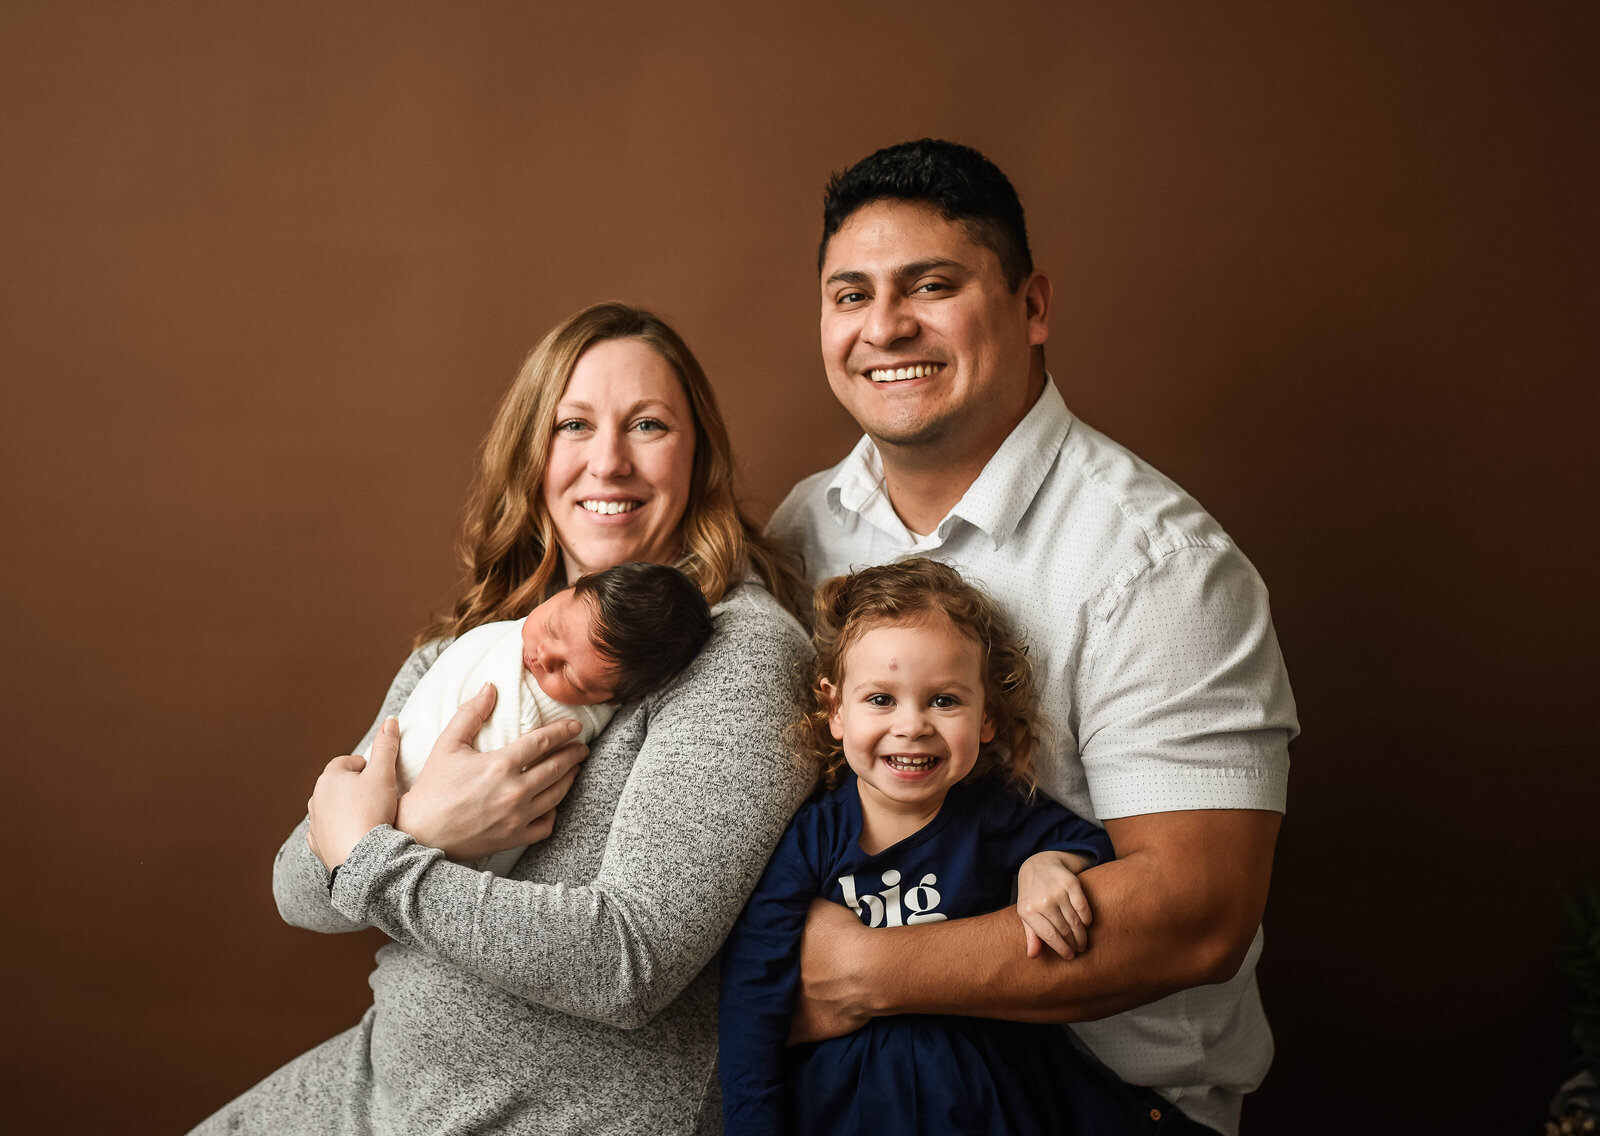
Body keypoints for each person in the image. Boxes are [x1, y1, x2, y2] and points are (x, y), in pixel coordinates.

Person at [767, 139, 1299, 1134]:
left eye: (930, 285)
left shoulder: (1160, 564)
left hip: (1096, 1101)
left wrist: (865, 972)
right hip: (847, 1091)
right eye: (850, 294)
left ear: (1032, 304)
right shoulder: (802, 529)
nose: (885, 326)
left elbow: (1199, 913)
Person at [192, 302, 814, 1135]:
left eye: (649, 425)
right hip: (377, 1087)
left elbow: (628, 963)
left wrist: (380, 856)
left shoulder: (739, 653)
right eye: (573, 426)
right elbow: (300, 888)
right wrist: (424, 825)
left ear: (698, 454)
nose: (609, 462)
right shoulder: (488, 642)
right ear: (534, 451)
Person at [720, 558, 1187, 1135]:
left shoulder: (997, 815)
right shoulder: (809, 840)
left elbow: (1091, 845)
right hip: (848, 1106)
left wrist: (1048, 863)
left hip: (987, 1097)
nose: (912, 725)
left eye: (944, 700)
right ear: (835, 708)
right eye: (880, 700)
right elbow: (752, 999)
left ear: (987, 716)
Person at [381, 560, 714, 877]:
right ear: (574, 585)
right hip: (381, 799)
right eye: (553, 630)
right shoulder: (481, 636)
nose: (543, 657)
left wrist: (400, 837)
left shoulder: (548, 716)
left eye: (569, 674)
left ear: (618, 700)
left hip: (413, 849)